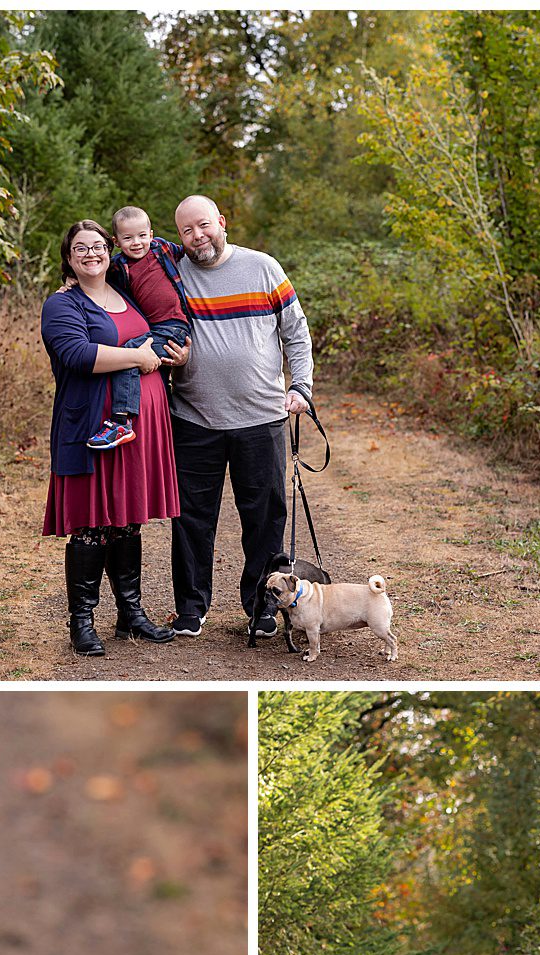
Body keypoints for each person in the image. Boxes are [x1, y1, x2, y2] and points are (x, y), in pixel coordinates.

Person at [163, 194, 313, 639]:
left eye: (203, 225)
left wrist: (301, 387)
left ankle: (262, 607)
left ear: (222, 222)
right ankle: (191, 608)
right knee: (191, 519)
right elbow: (119, 267)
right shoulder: (173, 277)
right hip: (193, 419)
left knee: (265, 519)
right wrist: (71, 284)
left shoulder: (263, 267)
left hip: (261, 419)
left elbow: (297, 335)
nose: (197, 236)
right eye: (187, 230)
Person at [41, 219, 185, 657]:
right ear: (68, 258)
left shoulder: (124, 292)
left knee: (127, 520)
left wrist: (170, 355)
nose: (91, 254)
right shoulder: (62, 305)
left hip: (140, 426)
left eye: (98, 246)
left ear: (109, 251)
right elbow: (78, 354)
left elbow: (161, 326)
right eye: (80, 248)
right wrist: (140, 356)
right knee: (91, 523)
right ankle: (81, 621)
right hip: (92, 427)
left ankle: (131, 613)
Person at [88, 205, 195, 451]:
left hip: (174, 327)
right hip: (153, 328)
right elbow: (95, 275)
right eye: (128, 238)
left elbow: (194, 250)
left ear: (151, 233)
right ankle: (160, 420)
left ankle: (121, 421)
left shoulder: (162, 249)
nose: (137, 242)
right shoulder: (118, 267)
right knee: (148, 369)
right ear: (116, 241)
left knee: (131, 354)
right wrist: (71, 278)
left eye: (142, 235)